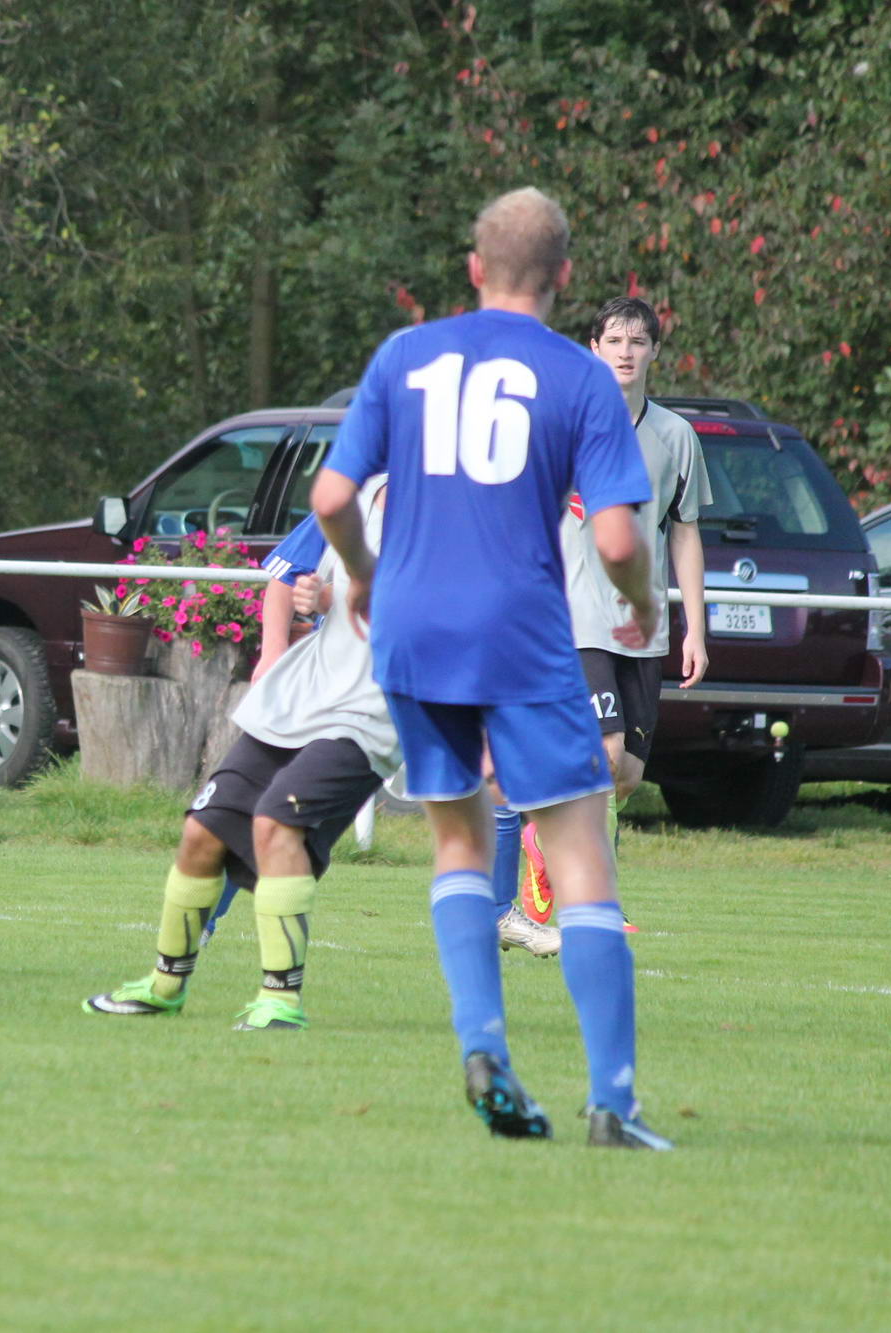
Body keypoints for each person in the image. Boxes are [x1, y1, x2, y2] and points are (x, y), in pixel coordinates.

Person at [313, 187, 675, 1149]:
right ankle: (614, 1102)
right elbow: (616, 538)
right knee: (581, 851)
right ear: (564, 276)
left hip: (413, 630)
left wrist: (363, 575)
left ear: (474, 269)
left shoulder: (405, 356)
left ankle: (483, 1046)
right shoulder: (580, 377)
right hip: (520, 632)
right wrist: (641, 602)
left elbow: (332, 496)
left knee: (459, 843)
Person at [84, 486, 399, 1031]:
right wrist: (273, 651)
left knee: (277, 821)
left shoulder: (449, 511)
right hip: (302, 696)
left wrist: (333, 600)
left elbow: (445, 613)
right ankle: (164, 986)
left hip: (373, 711)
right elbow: (285, 578)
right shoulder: (358, 494)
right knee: (202, 830)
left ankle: (280, 1001)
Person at [500, 295, 711, 935]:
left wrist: (696, 629)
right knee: (606, 753)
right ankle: (598, 906)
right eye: (614, 340)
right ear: (594, 349)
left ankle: (543, 840)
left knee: (627, 778)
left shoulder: (676, 436)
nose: (625, 352)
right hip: (573, 621)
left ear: (654, 352)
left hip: (642, 630)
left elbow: (685, 533)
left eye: (637, 341)